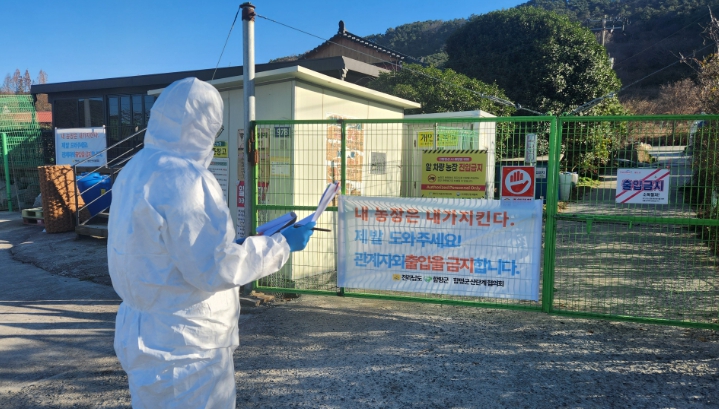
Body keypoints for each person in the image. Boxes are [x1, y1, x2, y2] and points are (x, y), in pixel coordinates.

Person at [107, 77, 315, 408]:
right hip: (187, 347)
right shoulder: (186, 177)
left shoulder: (136, 169)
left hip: (145, 333)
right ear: (203, 128)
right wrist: (281, 245)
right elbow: (215, 268)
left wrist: (235, 244)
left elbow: (167, 249)